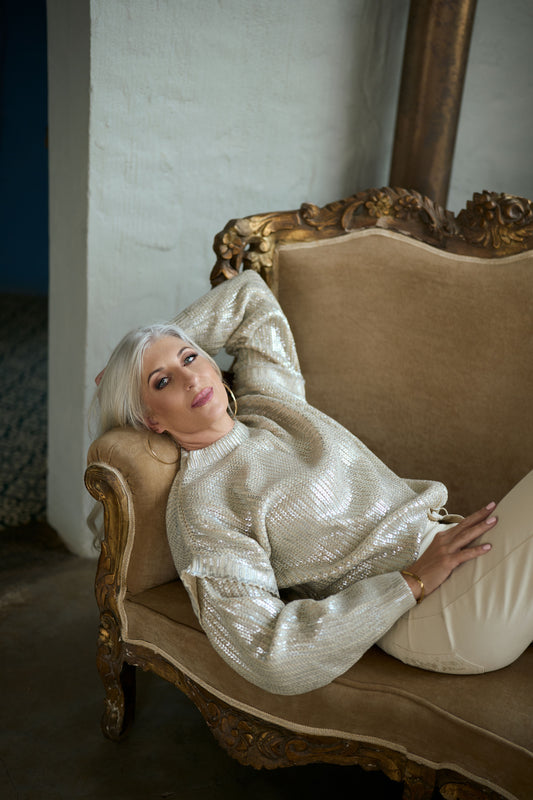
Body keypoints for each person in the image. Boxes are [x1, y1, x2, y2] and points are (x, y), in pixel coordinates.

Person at [95, 269, 533, 695]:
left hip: (457, 551)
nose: (190, 377)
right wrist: (410, 582)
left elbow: (251, 300)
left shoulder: (270, 405)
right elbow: (270, 653)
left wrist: (152, 340)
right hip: (431, 614)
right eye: (163, 382)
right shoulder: (205, 504)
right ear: (151, 420)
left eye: (190, 357)